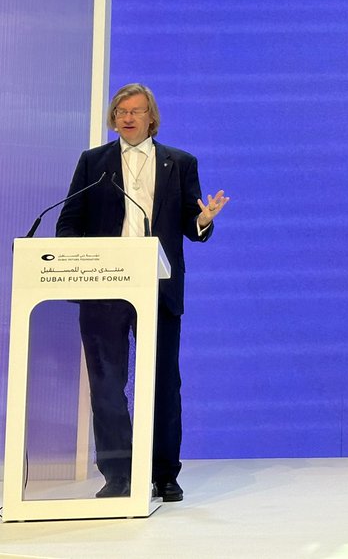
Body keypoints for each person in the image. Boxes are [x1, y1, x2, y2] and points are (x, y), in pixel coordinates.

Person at [57, 83, 229, 502]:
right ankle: (119, 474)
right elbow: (69, 222)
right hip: (103, 287)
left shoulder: (180, 163)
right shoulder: (93, 162)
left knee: (163, 383)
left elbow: (190, 224)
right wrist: (79, 259)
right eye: (121, 111)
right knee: (106, 383)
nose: (128, 118)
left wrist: (204, 219)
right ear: (114, 118)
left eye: (136, 111)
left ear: (151, 117)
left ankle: (163, 474)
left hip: (158, 288)